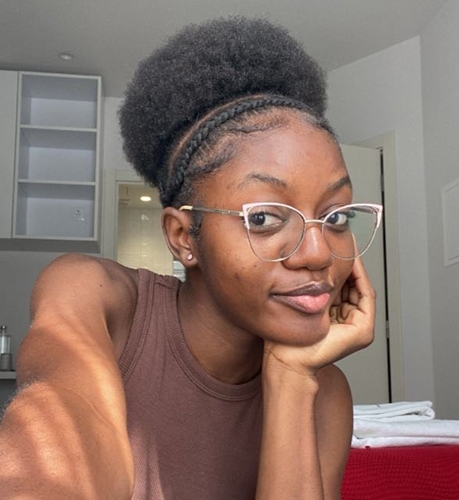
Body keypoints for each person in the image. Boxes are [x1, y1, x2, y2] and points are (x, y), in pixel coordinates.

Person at [0, 16, 382, 500]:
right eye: (265, 218)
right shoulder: (95, 297)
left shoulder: (326, 393)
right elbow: (54, 465)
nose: (318, 252)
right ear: (183, 237)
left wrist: (290, 379)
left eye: (335, 216)